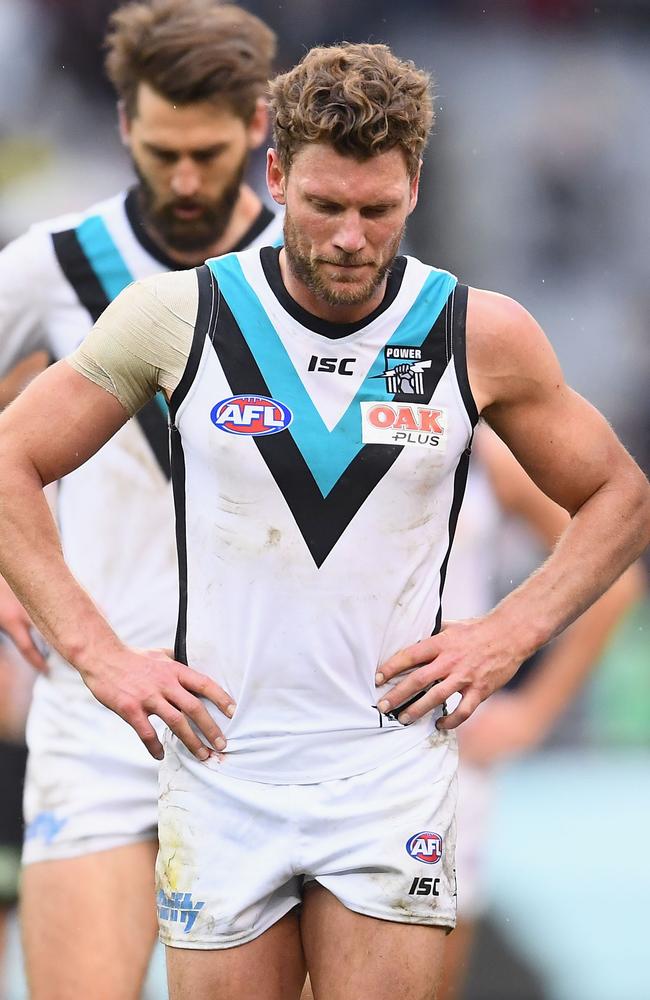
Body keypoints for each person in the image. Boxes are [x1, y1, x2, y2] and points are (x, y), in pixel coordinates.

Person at [0, 41, 648, 1000]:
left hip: (385, 772)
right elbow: (10, 458)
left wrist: (509, 634)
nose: (350, 237)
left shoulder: (477, 331)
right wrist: (99, 653)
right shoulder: (180, 314)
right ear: (276, 177)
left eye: (376, 210)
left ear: (416, 189)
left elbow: (621, 496)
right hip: (222, 768)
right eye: (325, 206)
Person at [0, 1, 279, 997]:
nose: (188, 180)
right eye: (163, 150)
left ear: (258, 127)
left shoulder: (320, 271)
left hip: (270, 719)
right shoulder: (56, 264)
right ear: (124, 126)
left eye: (209, 150)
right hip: (98, 705)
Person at [436, 428, 645, 999]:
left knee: (423, 978)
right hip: (296, 739)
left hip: (437, 752)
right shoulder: (269, 430)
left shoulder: (473, 446)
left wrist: (533, 711)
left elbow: (614, 577)